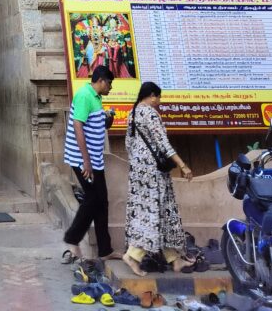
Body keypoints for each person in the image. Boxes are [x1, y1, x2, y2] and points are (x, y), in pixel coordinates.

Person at [123, 82, 195, 276]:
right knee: (153, 213)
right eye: (158, 98)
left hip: (138, 172)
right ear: (152, 96)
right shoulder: (150, 114)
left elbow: (128, 144)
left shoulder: (132, 114)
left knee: (160, 212)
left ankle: (175, 260)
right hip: (153, 173)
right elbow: (164, 144)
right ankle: (133, 255)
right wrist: (182, 165)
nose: (159, 102)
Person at [62, 66, 117, 262]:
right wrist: (86, 161)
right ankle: (72, 238)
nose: (110, 88)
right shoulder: (84, 95)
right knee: (93, 198)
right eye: (109, 83)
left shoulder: (96, 97)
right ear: (101, 80)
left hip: (94, 160)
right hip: (83, 159)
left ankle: (105, 249)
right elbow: (78, 126)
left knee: (101, 201)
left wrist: (107, 117)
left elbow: (97, 125)